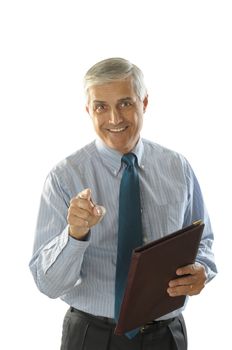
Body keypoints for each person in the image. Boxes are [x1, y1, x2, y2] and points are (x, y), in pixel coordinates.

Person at [29, 57, 217, 350]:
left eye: (125, 103)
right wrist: (75, 234)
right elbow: (48, 285)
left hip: (166, 337)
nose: (115, 119)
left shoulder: (177, 167)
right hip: (92, 337)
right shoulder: (64, 177)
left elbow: (202, 240)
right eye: (101, 107)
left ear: (144, 103)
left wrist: (203, 269)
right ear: (89, 111)